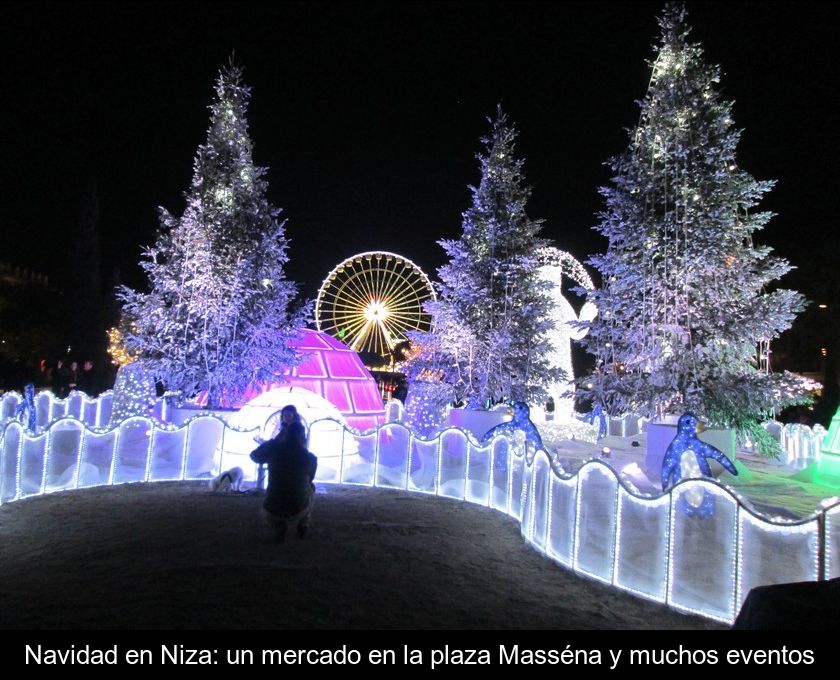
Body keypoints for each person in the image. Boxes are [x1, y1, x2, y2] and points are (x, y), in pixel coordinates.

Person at [250, 418, 318, 543]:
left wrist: (275, 441)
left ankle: (278, 525)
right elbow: (310, 479)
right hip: (299, 507)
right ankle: (304, 524)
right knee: (311, 488)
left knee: (272, 503)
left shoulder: (275, 452)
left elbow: (254, 456)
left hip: (272, 508)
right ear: (304, 438)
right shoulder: (310, 458)